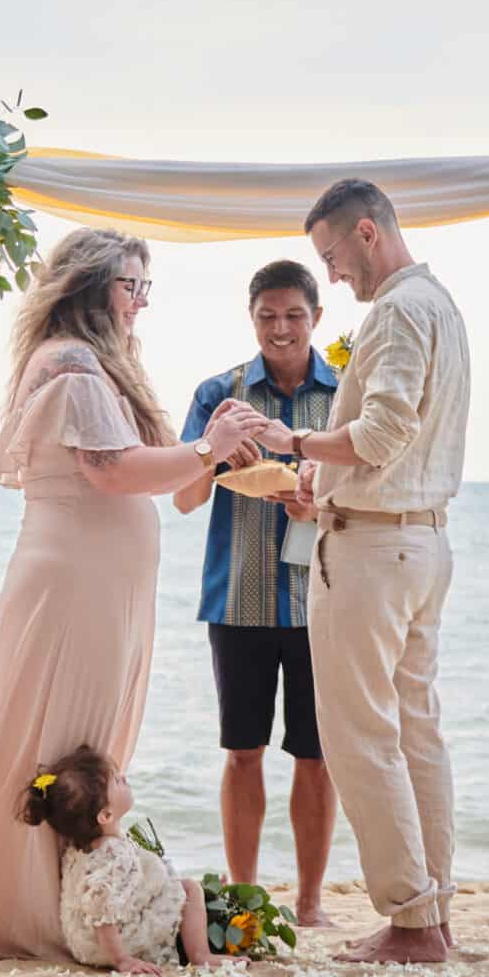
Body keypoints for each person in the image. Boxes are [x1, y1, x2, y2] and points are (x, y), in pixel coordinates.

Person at [0, 228, 269, 960]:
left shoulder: (97, 364)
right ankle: (35, 908)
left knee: (81, 738)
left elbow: (163, 478)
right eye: (129, 285)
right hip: (74, 581)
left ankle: (81, 898)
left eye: (147, 286)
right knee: (55, 734)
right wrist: (208, 444)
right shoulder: (73, 365)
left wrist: (212, 450)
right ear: (88, 285)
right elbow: (112, 470)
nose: (140, 302)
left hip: (100, 583)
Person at [249, 180, 470, 966]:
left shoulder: (401, 310)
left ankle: (410, 920)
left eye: (334, 257)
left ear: (368, 232)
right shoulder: (439, 303)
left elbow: (381, 433)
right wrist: (328, 489)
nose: (334, 276)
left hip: (376, 554)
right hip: (419, 540)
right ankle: (433, 911)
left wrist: (296, 444)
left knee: (361, 734)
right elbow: (395, 448)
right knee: (416, 729)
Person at [172, 260, 341, 927]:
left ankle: (310, 902)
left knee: (316, 753)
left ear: (316, 318)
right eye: (268, 315)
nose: (281, 327)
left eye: (294, 314)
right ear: (252, 318)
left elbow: (370, 492)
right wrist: (216, 454)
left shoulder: (346, 393)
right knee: (243, 752)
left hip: (323, 599)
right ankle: (245, 898)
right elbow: (182, 497)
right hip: (236, 600)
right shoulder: (221, 393)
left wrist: (317, 506)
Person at [16, 746, 230, 974]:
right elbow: (102, 911)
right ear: (105, 815)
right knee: (189, 888)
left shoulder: (80, 847)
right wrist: (122, 960)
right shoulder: (114, 854)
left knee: (165, 884)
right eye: (117, 781)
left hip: (84, 942)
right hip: (114, 943)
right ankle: (200, 955)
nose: (124, 778)